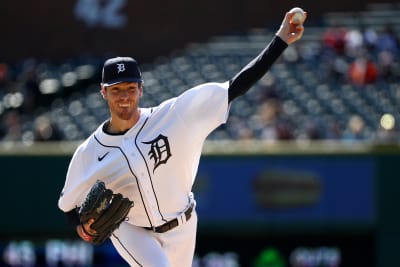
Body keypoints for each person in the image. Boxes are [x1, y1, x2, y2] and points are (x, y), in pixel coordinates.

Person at [58, 8, 306, 267]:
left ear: (141, 89)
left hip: (184, 225)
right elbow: (69, 207)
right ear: (103, 93)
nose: (124, 97)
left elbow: (234, 87)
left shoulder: (174, 116)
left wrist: (280, 41)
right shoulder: (88, 152)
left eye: (130, 88)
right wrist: (81, 227)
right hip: (132, 231)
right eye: (116, 90)